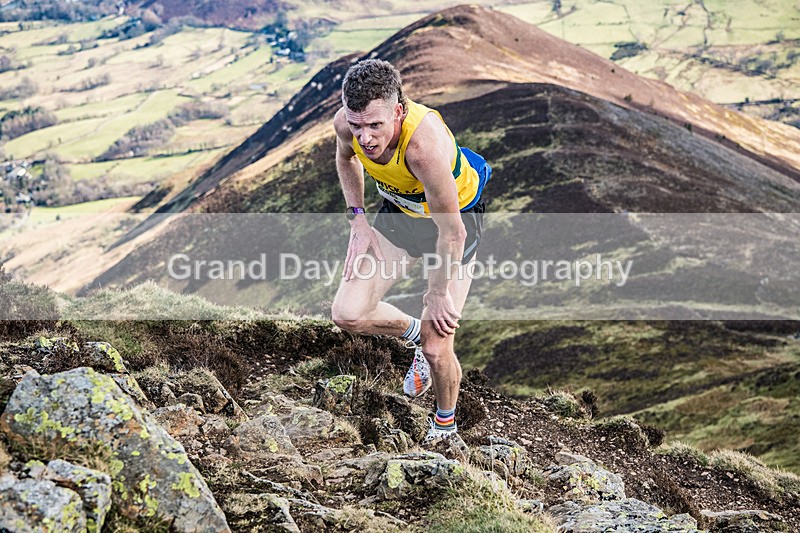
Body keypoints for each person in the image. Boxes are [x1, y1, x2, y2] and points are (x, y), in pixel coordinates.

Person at [330, 59, 491, 447]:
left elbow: (451, 233)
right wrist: (357, 220)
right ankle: (413, 332)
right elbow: (345, 158)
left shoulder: (423, 149)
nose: (365, 137)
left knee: (438, 346)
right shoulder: (346, 125)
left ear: (398, 112)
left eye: (375, 125)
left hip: (454, 223)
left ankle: (445, 425)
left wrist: (435, 294)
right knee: (348, 314)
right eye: (357, 125)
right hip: (400, 214)